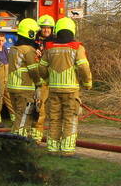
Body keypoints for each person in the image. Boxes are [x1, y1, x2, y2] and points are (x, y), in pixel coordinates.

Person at [33, 17, 92, 154]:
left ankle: (52, 148)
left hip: (53, 90)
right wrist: (87, 83)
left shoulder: (49, 48)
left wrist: (48, 79)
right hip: (71, 91)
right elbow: (83, 68)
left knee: (54, 119)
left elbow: (41, 68)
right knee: (70, 119)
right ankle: (67, 150)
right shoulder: (77, 48)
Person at [6, 18, 41, 138]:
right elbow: (33, 70)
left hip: (12, 88)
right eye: (34, 33)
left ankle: (16, 138)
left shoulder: (13, 49)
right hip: (24, 89)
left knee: (18, 116)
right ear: (30, 33)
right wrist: (39, 83)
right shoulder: (29, 50)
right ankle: (17, 141)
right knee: (23, 117)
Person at [32, 14, 56, 141]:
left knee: (54, 109)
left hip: (53, 79)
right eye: (44, 27)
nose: (46, 30)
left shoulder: (55, 42)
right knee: (39, 108)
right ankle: (36, 136)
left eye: (49, 28)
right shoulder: (34, 42)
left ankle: (54, 135)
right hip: (39, 80)